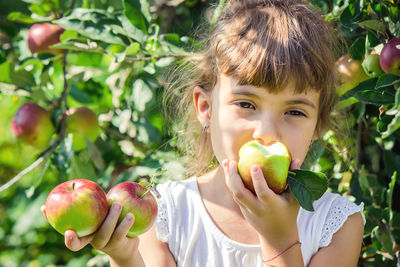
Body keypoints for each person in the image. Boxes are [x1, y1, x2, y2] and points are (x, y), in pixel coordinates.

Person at [56, 0, 365, 266]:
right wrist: (124, 257)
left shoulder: (336, 226)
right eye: (246, 104)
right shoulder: (164, 215)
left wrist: (281, 240)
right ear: (206, 108)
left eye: (295, 112)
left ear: (317, 127)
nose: (267, 134)